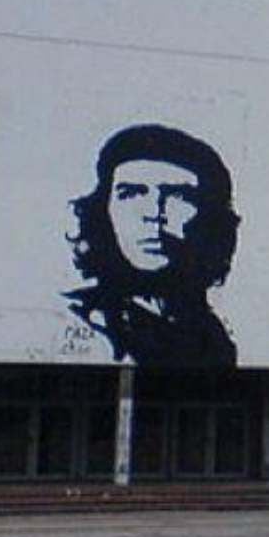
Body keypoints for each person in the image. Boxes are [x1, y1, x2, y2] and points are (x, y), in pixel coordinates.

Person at [65, 124, 239, 368]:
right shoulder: (79, 320)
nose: (153, 213)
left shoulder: (212, 333)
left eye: (178, 196)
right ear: (102, 211)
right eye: (131, 194)